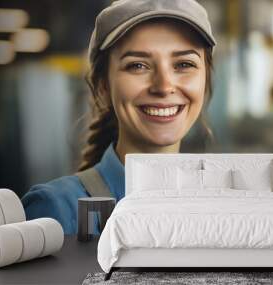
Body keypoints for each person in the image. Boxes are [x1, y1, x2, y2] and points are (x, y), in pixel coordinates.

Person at [21, 0, 217, 234]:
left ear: (204, 83)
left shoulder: (220, 210)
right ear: (103, 87)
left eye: (184, 64)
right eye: (138, 66)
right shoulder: (56, 211)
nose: (164, 86)